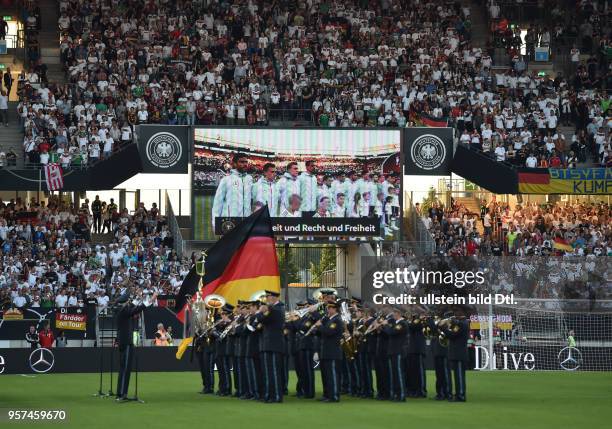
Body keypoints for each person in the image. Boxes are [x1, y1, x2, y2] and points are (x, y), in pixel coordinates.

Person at [115, 291, 157, 401]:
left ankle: (120, 392)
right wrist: (151, 300)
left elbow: (132, 307)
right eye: (128, 301)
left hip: (123, 341)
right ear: (125, 303)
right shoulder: (123, 310)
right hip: (127, 342)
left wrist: (138, 297)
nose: (129, 302)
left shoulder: (121, 310)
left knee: (123, 368)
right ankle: (123, 394)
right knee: (126, 368)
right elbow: (135, 310)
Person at [255, 289, 284, 403]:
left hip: (274, 344)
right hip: (268, 344)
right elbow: (260, 319)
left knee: (274, 371)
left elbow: (262, 318)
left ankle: (277, 395)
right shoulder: (271, 309)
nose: (266, 299)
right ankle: (269, 395)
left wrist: (262, 311)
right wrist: (262, 312)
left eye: (268, 297)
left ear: (275, 297)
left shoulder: (277, 308)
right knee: (268, 371)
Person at [212, 153, 253, 227]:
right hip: (230, 222)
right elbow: (217, 203)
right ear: (234, 164)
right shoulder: (226, 180)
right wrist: (215, 224)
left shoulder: (249, 179)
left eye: (246, 162)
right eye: (241, 162)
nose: (245, 164)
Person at [314, 301, 343, 402]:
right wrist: (317, 329)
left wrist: (319, 326)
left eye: (330, 308)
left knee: (333, 375)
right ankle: (327, 394)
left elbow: (329, 332)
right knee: (326, 375)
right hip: (325, 351)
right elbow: (322, 333)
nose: (328, 310)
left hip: (333, 351)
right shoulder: (328, 319)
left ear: (335, 309)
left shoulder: (337, 320)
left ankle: (334, 396)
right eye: (328, 308)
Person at [442, 311, 469, 402]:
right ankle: (458, 394)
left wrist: (443, 328)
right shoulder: (462, 323)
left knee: (459, 376)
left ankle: (460, 395)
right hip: (458, 353)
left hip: (459, 353)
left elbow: (452, 335)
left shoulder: (462, 324)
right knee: (457, 376)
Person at [382, 308, 408, 402]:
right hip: (392, 351)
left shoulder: (402, 323)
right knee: (394, 374)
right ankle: (395, 394)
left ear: (399, 313)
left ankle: (401, 395)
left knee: (398, 373)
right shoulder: (396, 323)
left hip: (398, 351)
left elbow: (391, 332)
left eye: (395, 313)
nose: (393, 314)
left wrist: (385, 326)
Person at [429, 316, 452, 400]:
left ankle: (447, 393)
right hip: (436, 351)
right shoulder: (437, 323)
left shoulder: (446, 324)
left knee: (445, 374)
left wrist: (431, 320)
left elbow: (435, 329)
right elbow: (432, 330)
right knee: (438, 374)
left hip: (443, 351)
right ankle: (440, 393)